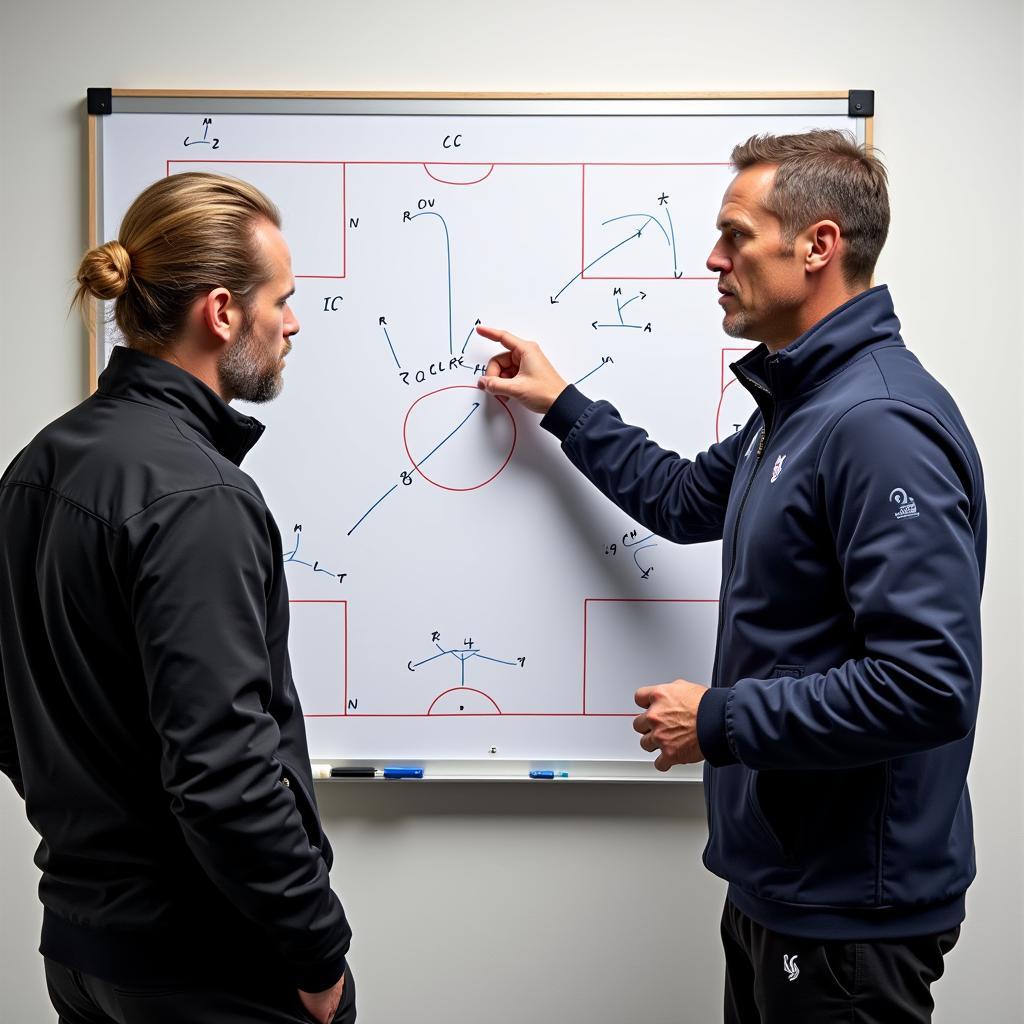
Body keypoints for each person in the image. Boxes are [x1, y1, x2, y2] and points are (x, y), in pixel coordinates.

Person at [475, 131, 985, 1023]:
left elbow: (928, 687)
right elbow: (679, 496)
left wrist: (718, 718)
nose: (713, 258)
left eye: (736, 235)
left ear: (818, 246)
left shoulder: (877, 424)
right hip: (780, 887)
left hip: (846, 917)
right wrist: (563, 406)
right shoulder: (797, 411)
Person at [0, 173, 355, 1024]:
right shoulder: (200, 498)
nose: (295, 322)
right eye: (285, 299)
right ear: (224, 311)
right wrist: (317, 953)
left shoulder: (39, 465)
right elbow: (225, 772)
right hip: (209, 969)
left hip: (85, 955)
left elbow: (13, 716)